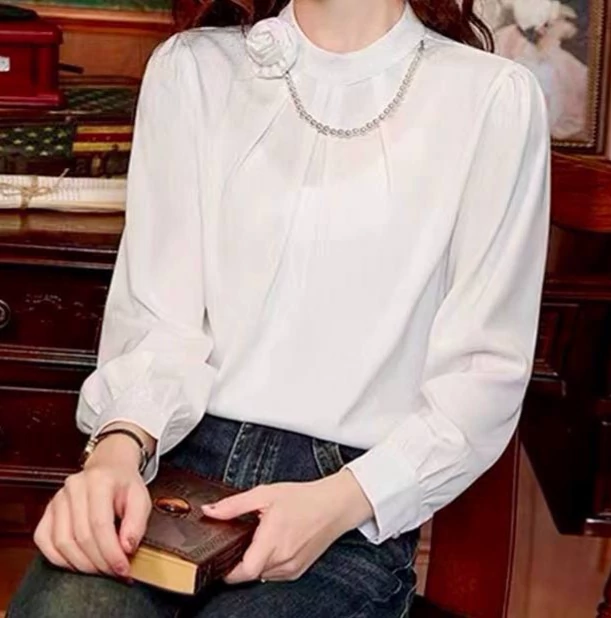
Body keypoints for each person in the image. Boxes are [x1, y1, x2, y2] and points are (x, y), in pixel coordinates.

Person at [8, 0, 550, 616]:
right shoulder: (191, 71)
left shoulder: (493, 99)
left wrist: (340, 500)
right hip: (171, 470)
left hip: (345, 508)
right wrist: (114, 452)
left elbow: (481, 377)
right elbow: (161, 322)